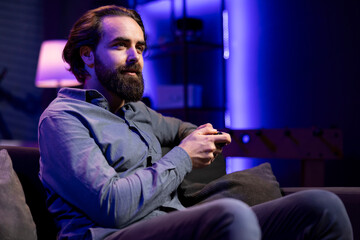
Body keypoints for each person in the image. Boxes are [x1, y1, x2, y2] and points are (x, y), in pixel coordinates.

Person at [38, 5, 353, 240]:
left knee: (321, 205)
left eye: (140, 47)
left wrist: (202, 138)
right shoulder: (63, 119)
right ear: (88, 56)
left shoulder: (136, 111)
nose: (136, 57)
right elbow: (112, 208)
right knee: (229, 216)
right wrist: (183, 156)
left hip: (175, 223)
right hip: (114, 234)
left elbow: (182, 130)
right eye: (120, 45)